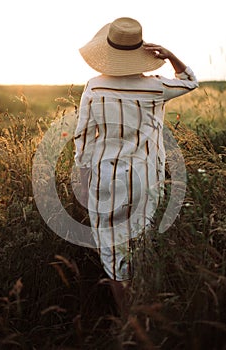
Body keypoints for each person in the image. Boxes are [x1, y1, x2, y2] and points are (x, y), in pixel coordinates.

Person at [74, 17, 198, 314]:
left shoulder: (95, 87)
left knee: (113, 248)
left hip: (105, 178)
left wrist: (82, 171)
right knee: (141, 241)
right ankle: (145, 316)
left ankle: (126, 318)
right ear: (139, 52)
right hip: (146, 177)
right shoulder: (156, 87)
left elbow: (82, 135)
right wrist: (170, 56)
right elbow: (190, 81)